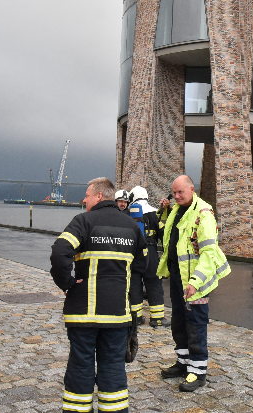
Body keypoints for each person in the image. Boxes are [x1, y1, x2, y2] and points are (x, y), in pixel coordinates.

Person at [50, 177, 146, 413]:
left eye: (87, 195)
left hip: (83, 314)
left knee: (81, 364)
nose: (84, 199)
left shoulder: (83, 221)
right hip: (117, 315)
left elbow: (59, 251)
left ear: (100, 196)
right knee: (113, 366)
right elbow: (142, 267)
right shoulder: (132, 227)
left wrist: (68, 283)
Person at [157, 175, 230, 392]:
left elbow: (209, 252)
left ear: (192, 189)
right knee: (179, 322)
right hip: (179, 279)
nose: (177, 196)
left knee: (196, 324)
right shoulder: (177, 211)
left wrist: (196, 282)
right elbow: (167, 237)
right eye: (174, 192)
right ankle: (183, 363)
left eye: (181, 192)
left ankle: (198, 371)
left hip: (196, 281)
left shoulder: (203, 214)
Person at [127, 186, 168, 328]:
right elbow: (164, 234)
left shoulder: (128, 214)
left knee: (135, 284)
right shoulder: (155, 213)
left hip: (134, 254)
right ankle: (157, 319)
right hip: (151, 252)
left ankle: (135, 318)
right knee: (154, 284)